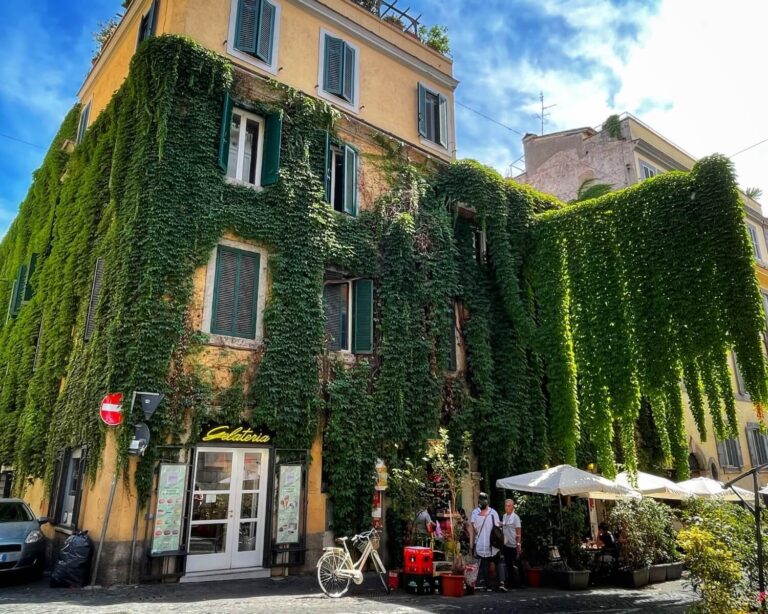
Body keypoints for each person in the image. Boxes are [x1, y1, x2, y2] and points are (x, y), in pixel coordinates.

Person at [470, 492, 501, 591]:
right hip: (491, 544)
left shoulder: (475, 513)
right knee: (494, 563)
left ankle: (485, 585)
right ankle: (497, 583)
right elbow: (497, 528)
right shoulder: (493, 512)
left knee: (483, 564)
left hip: (480, 543)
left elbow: (474, 528)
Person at [501, 498, 525, 589]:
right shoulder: (504, 516)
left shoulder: (515, 517)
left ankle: (522, 582)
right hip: (506, 544)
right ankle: (511, 583)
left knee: (518, 564)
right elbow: (505, 525)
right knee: (508, 564)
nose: (506, 507)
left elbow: (518, 532)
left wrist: (518, 545)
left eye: (508, 506)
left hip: (514, 545)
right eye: (505, 506)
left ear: (512, 507)